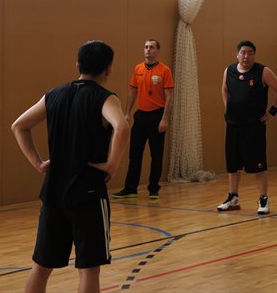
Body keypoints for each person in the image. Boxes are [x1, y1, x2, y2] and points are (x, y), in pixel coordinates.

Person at [11, 40, 129, 293]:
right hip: (87, 193)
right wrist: (112, 164)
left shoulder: (54, 94)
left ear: (77, 65)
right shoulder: (105, 97)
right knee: (89, 268)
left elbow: (19, 126)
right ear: (108, 69)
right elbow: (122, 127)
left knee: (41, 266)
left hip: (53, 191)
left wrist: (38, 163)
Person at [217, 40, 277, 215]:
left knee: (259, 165)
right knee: (233, 164)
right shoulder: (229, 70)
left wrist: (272, 112)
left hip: (254, 127)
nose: (246, 56)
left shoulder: (263, 71)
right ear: (237, 54)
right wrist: (228, 108)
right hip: (233, 125)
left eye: (250, 53)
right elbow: (224, 90)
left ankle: (263, 199)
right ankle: (233, 198)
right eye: (243, 52)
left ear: (254, 55)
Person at [113, 39, 174, 200]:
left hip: (157, 116)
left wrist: (165, 119)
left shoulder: (164, 70)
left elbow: (169, 96)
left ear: (157, 51)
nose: (148, 50)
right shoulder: (138, 68)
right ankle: (130, 188)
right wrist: (127, 113)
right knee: (135, 154)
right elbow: (133, 92)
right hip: (141, 116)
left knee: (156, 155)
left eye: (151, 47)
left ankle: (153, 188)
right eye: (146, 47)